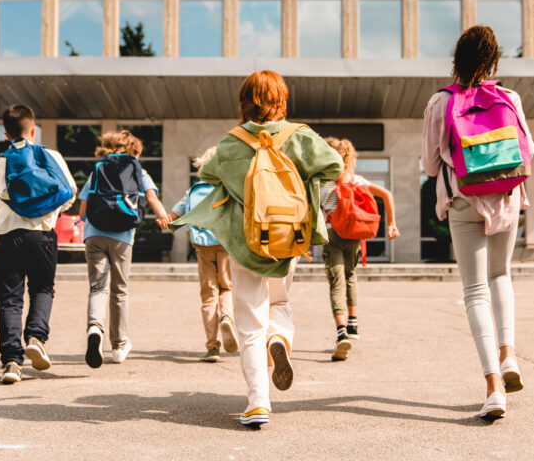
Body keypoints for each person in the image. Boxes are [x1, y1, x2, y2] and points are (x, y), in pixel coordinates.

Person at [168, 70, 343, 428]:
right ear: (282, 100)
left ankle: (258, 402)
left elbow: (207, 178)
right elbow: (334, 166)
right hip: (289, 239)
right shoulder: (301, 136)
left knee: (249, 322)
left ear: (244, 102)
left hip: (247, 242)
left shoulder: (231, 144)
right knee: (280, 302)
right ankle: (278, 338)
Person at [422, 25, 534, 419]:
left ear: (458, 59)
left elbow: (430, 164)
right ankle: (509, 355)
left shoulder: (441, 101)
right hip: (504, 197)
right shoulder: (508, 96)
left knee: (474, 292)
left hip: (463, 199)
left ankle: (493, 388)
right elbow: (528, 150)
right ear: (493, 60)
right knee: (501, 276)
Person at [0, 104, 77, 384]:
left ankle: (11, 363)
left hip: (6, 237)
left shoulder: (0, 162)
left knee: (9, 300)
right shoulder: (50, 155)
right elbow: (70, 193)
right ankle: (36, 337)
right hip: (42, 235)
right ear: (34, 130)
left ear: (6, 134)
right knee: (43, 288)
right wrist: (48, 210)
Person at [79, 130, 169, 368]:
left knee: (98, 287)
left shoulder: (98, 168)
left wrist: (86, 226)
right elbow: (151, 198)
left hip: (94, 233)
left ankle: (94, 328)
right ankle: (118, 346)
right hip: (122, 236)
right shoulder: (138, 170)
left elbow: (83, 207)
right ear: (134, 151)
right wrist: (163, 218)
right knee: (119, 290)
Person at [319, 137, 399, 361]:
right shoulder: (357, 180)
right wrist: (391, 224)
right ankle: (353, 325)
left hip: (333, 235)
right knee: (350, 275)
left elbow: (312, 212)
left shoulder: (324, 184)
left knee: (337, 282)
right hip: (354, 235)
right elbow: (387, 195)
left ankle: (341, 331)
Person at [163, 146, 239, 363]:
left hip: (202, 248)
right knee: (227, 288)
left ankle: (212, 347)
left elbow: (174, 216)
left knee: (208, 295)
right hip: (226, 246)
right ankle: (227, 316)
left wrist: (165, 220)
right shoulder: (228, 188)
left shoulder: (193, 190)